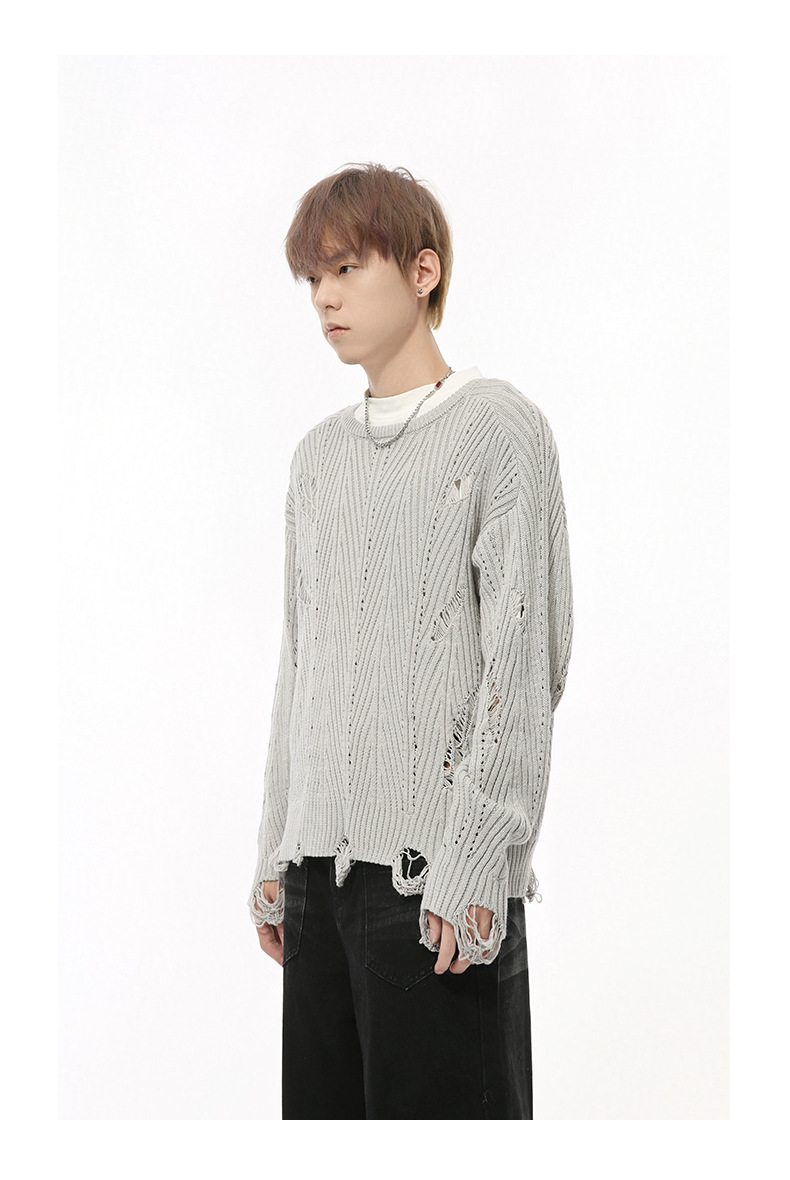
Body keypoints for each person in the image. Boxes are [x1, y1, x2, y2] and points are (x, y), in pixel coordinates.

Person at [247, 162, 574, 1120]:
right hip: (317, 882)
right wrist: (275, 851)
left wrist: (479, 859)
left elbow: (524, 662)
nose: (325, 297)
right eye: (313, 276)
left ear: (423, 270)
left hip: (433, 884)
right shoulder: (317, 458)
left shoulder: (498, 429)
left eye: (346, 268)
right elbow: (300, 666)